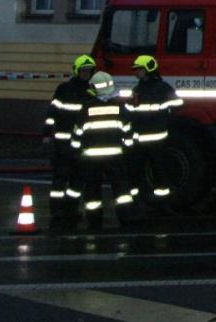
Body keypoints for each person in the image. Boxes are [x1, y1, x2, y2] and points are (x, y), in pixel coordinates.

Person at [71, 71, 138, 230]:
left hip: (91, 159)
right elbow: (128, 132)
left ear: (93, 88)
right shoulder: (119, 108)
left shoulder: (85, 109)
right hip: (115, 157)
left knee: (92, 190)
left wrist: (76, 153)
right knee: (121, 190)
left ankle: (94, 222)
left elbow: (77, 134)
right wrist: (128, 149)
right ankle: (126, 218)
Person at [43, 55, 94, 225]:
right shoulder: (64, 89)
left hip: (82, 144)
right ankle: (57, 210)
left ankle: (71, 209)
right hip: (62, 143)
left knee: (77, 180)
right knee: (60, 178)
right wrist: (46, 132)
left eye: (89, 71)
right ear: (76, 71)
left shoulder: (92, 91)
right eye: (83, 71)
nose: (86, 74)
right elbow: (52, 112)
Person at [127, 54, 182, 210]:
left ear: (148, 69)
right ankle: (157, 203)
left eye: (139, 69)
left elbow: (178, 103)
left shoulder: (145, 89)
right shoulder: (158, 88)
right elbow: (178, 105)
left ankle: (147, 202)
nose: (136, 72)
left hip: (147, 140)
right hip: (151, 139)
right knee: (153, 172)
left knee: (151, 172)